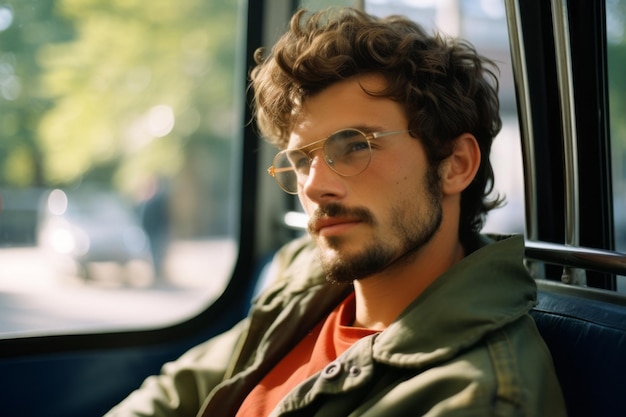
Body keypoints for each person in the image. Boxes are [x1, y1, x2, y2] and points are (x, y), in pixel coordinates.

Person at [106, 7, 566, 417]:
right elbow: (173, 392)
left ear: (454, 164)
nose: (312, 185)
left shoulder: (472, 395)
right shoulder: (305, 276)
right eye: (302, 160)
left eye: (353, 146)